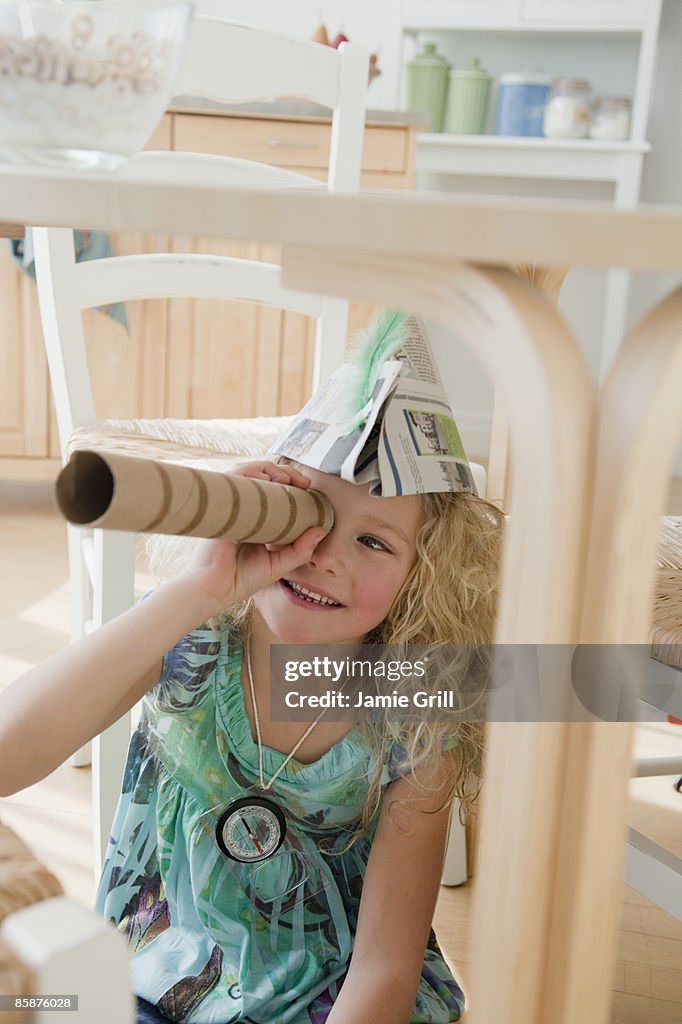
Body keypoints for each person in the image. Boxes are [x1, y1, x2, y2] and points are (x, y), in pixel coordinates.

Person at [0, 313, 503, 1024]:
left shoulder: (413, 715)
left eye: (374, 542)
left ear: (424, 576)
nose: (327, 554)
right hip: (145, 983)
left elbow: (384, 972)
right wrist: (198, 588)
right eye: (309, 512)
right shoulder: (195, 633)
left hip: (325, 1003)